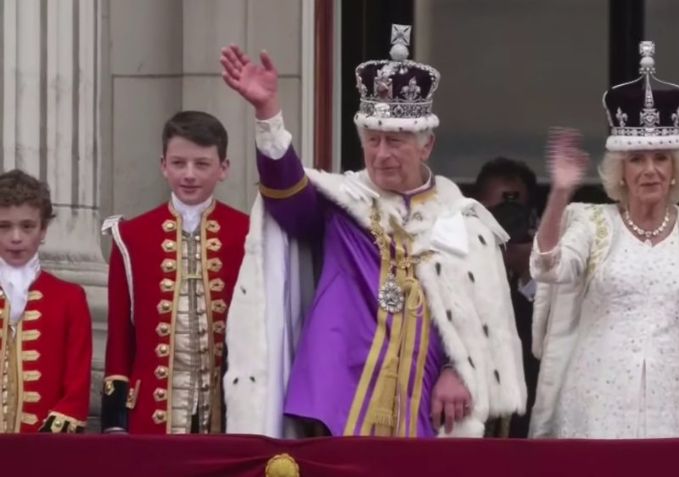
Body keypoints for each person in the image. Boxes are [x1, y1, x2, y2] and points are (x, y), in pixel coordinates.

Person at [222, 24, 526, 438]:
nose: (381, 154)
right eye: (372, 139)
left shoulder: (464, 222)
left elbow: (479, 316)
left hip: (428, 406)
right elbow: (286, 198)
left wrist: (461, 370)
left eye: (396, 141)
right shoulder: (342, 205)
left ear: (427, 146)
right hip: (339, 400)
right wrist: (269, 116)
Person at [529, 41, 679, 439]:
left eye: (660, 158)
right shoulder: (592, 223)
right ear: (620, 170)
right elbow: (547, 267)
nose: (649, 170)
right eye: (636, 159)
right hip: (595, 408)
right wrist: (559, 193)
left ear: (676, 168)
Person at [100, 111, 249, 434]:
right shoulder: (131, 237)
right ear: (163, 165)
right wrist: (114, 424)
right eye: (179, 163)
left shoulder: (248, 234)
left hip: (228, 416)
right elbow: (120, 338)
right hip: (150, 417)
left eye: (202, 164)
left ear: (223, 168)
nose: (189, 174)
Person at [0, 169, 92, 433]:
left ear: (43, 230)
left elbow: (76, 391)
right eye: (4, 226)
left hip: (43, 454)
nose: (16, 237)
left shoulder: (69, 298)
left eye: (27, 226)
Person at [474, 157, 540, 438]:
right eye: (496, 213)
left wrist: (529, 272)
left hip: (529, 411)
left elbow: (551, 333)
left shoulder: (547, 265)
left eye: (515, 212)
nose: (505, 223)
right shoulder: (457, 258)